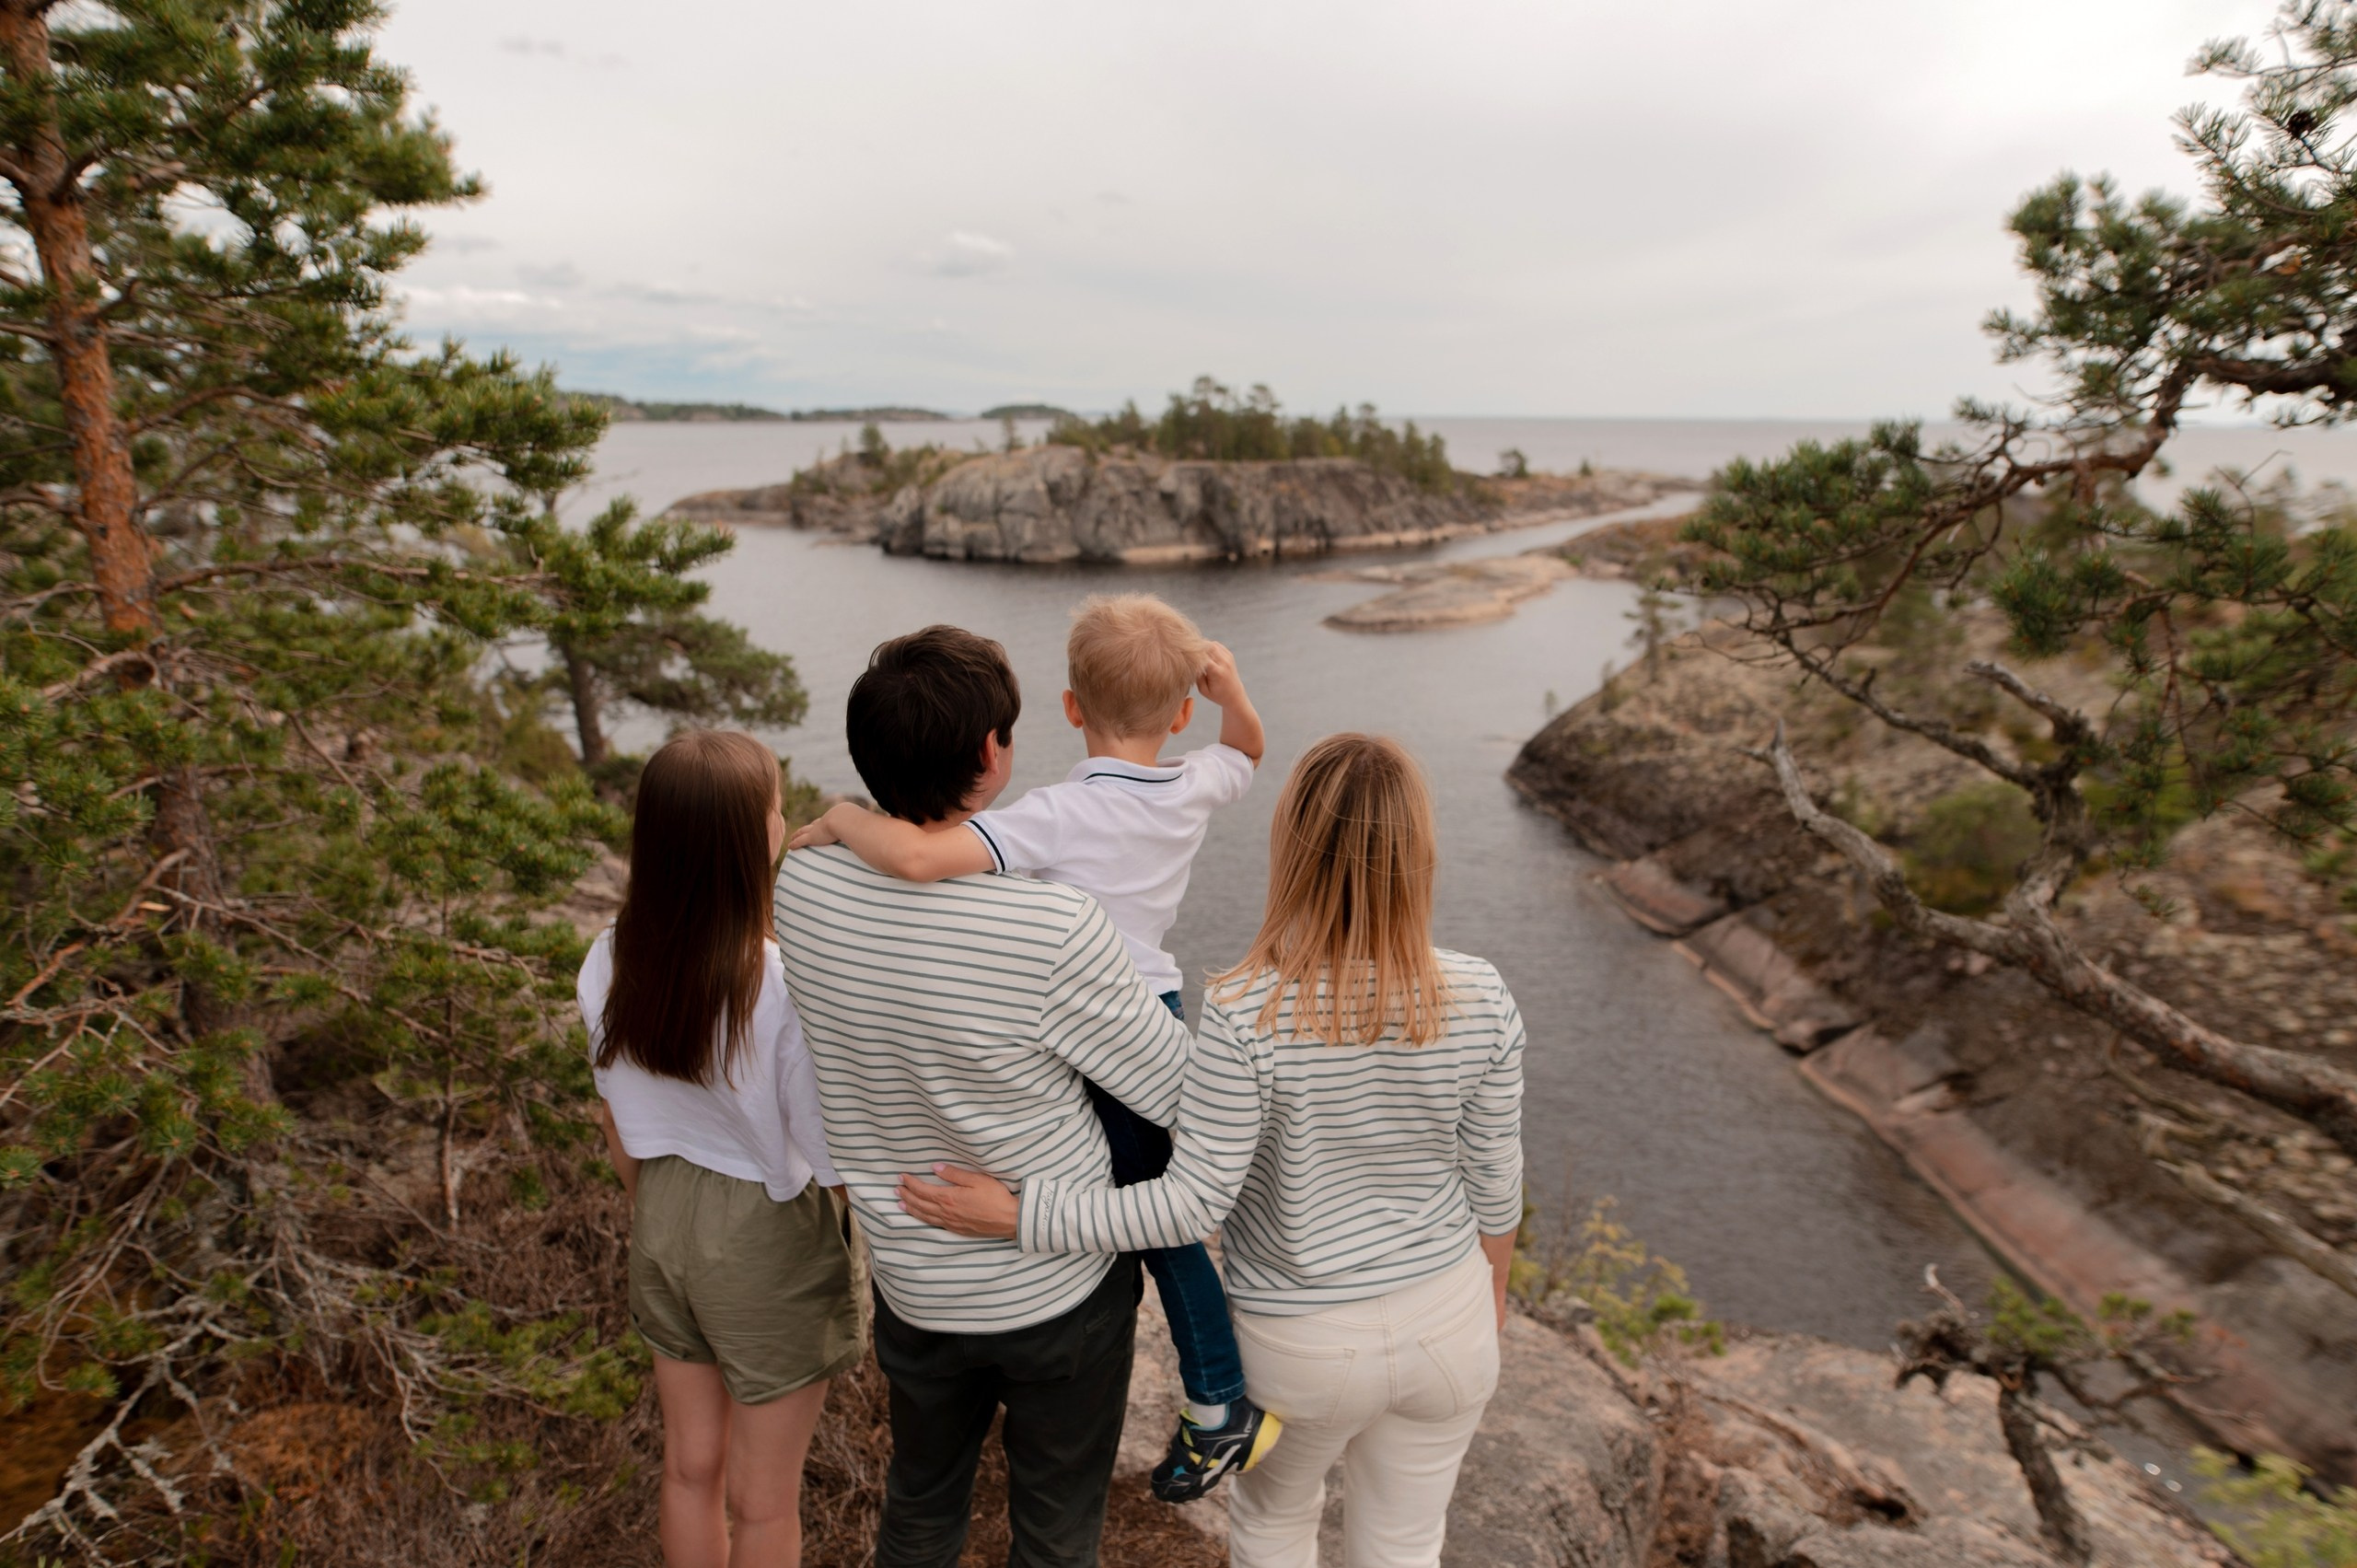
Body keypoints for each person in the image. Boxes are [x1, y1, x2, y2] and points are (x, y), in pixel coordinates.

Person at [899, 733, 1527, 1568]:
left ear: (1292, 844)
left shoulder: (1245, 1009)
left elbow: (1193, 1203)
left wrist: (1023, 1212)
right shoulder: (1480, 992)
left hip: (1305, 1341)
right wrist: (1491, 1296)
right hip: (1448, 1320)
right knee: (1407, 1543)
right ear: (1420, 850)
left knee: (1274, 1527)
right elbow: (1496, 1180)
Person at [788, 592, 1276, 1500]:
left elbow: (926, 860)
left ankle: (1221, 1399)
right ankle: (1214, 1394)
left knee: (1160, 1219)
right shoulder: (1193, 780)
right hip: (1152, 1004)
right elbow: (1248, 748)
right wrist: (1230, 689)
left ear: (1068, 706)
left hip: (1096, 1018)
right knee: (1155, 1213)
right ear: (1179, 711)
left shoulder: (1053, 812)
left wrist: (842, 818)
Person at [582, 730, 864, 1568]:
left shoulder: (610, 955)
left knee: (688, 1467)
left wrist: (657, 1209)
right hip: (765, 1234)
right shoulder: (777, 980)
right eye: (776, 808)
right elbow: (835, 1159)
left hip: (663, 1215)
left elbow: (615, 1120)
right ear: (756, 839)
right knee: (765, 1502)